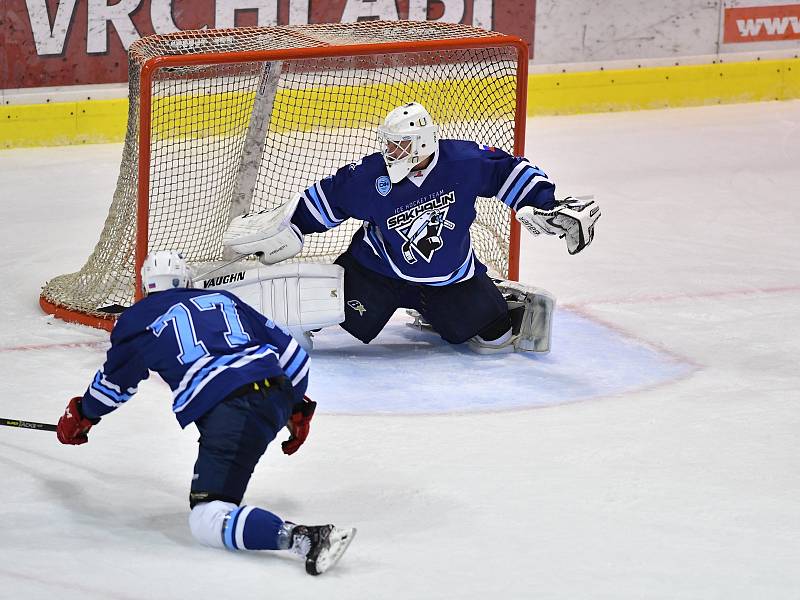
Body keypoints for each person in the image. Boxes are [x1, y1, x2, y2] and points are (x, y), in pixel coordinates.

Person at [55, 250, 355, 576]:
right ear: (187, 281)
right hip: (274, 391)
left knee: (206, 515)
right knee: (218, 469)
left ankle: (306, 539)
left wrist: (82, 415)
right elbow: (295, 357)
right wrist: (294, 408)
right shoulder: (222, 298)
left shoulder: (137, 319)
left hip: (233, 407)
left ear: (145, 287)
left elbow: (113, 387)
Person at [223, 102, 601, 353]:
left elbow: (509, 171)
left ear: (422, 144)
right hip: (377, 274)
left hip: (448, 277)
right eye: (389, 144)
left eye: (401, 146)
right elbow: (328, 200)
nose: (392, 153)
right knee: (337, 318)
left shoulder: (462, 161)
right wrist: (291, 228)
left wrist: (542, 203)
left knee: (494, 336)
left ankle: (462, 305)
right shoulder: (371, 175)